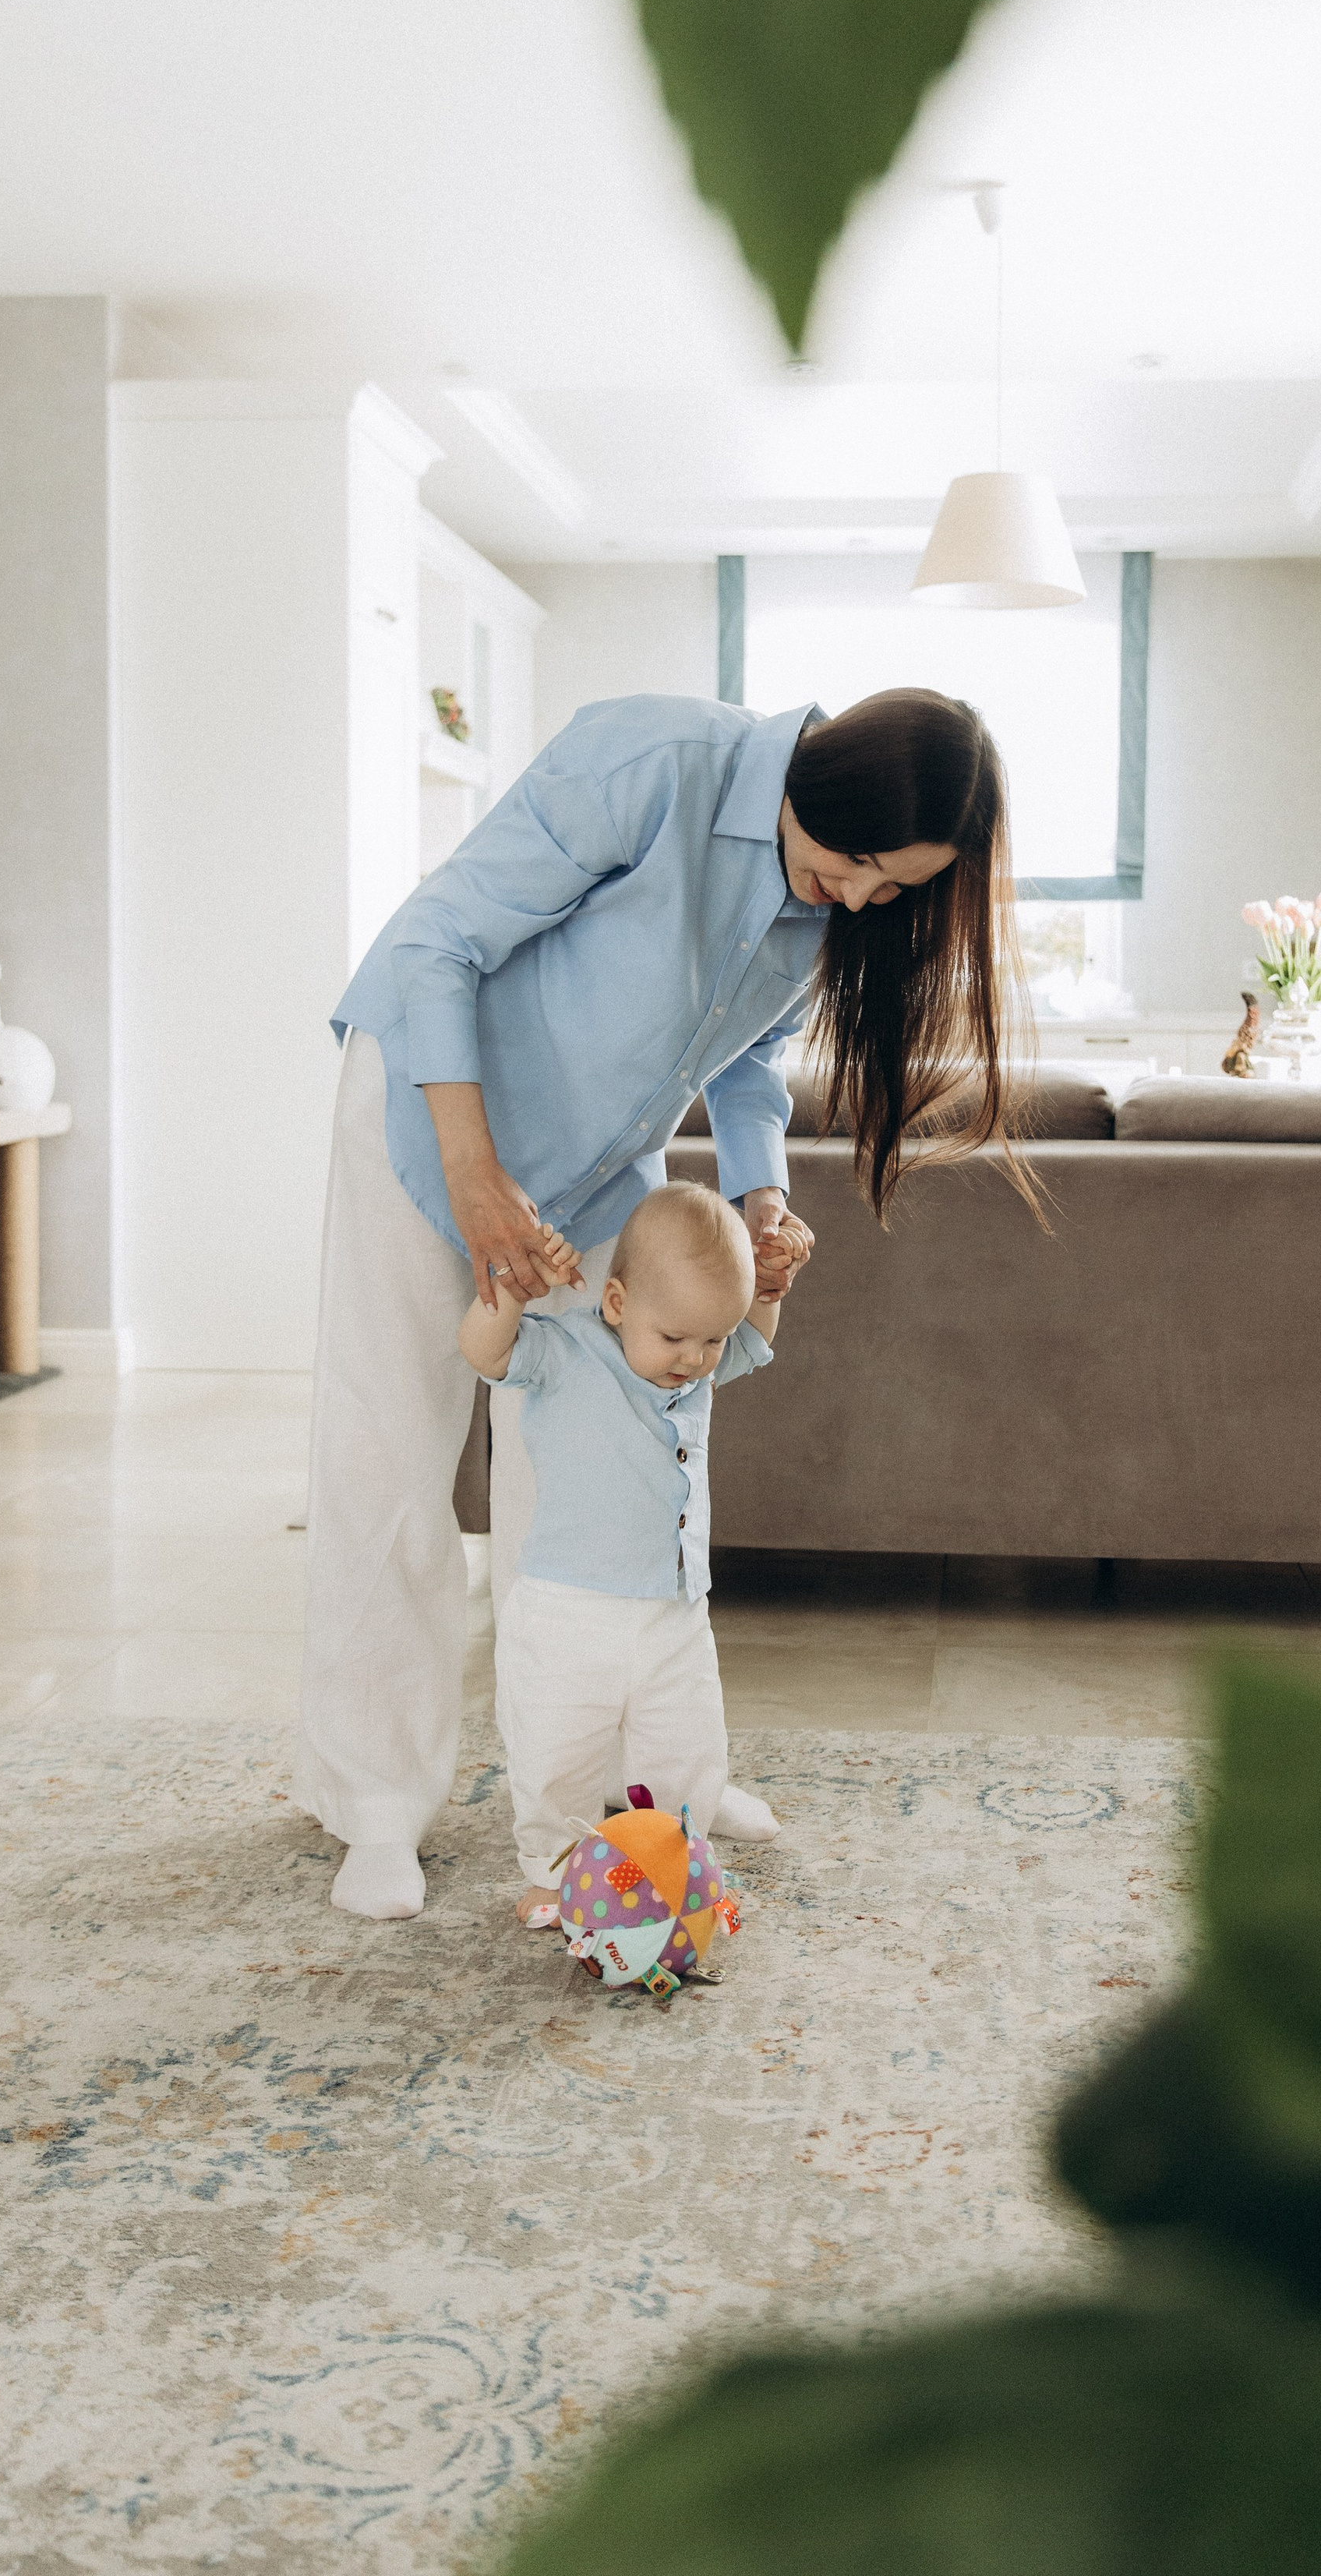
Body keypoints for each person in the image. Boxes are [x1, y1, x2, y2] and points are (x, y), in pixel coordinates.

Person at [298, 685, 1031, 1920]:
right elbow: (437, 945)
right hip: (434, 1114)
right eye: (853, 864)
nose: (858, 901)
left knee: (611, 1457)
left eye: (894, 891)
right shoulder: (649, 762)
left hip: (594, 1164)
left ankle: (642, 1790)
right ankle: (377, 1797)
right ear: (818, 781)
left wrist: (759, 1199)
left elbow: (745, 1060)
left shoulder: (825, 904)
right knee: (393, 1448)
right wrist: (476, 1174)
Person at [458, 1180, 781, 1921]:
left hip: (673, 1611)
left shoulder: (694, 1361)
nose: (697, 1360)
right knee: (557, 1752)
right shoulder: (566, 1352)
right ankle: (552, 1869)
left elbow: (757, 1337)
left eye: (712, 1340)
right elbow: (481, 1348)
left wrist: (770, 1284)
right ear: (616, 1303)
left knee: (688, 1743)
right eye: (676, 1339)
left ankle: (674, 1855)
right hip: (569, 1611)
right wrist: (515, 1281)